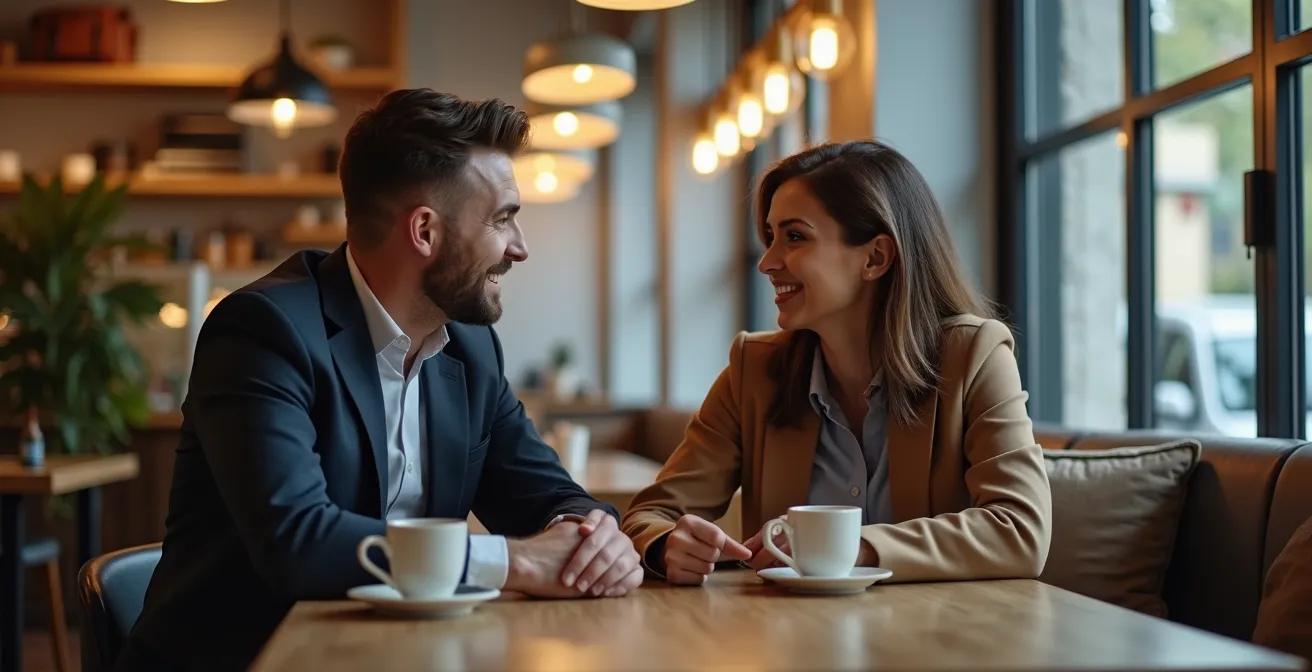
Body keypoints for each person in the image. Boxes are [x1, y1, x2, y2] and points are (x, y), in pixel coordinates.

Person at [118, 89, 642, 671]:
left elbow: (545, 494)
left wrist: (588, 536)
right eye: (502, 220)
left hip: (398, 654)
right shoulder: (264, 332)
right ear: (424, 231)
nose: (519, 248)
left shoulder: (470, 348)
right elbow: (298, 541)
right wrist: (515, 563)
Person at [621, 140, 1052, 586]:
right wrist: (667, 543)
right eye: (770, 237)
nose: (767, 262)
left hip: (939, 640)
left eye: (794, 237)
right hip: (791, 641)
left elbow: (1020, 530)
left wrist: (854, 547)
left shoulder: (974, 356)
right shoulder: (754, 370)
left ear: (875, 257)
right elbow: (652, 515)